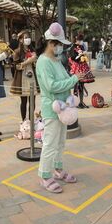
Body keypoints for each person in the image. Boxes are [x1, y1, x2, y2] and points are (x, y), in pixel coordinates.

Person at [35, 22, 85, 193]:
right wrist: (73, 79)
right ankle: (44, 175)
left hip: (63, 108)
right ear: (51, 43)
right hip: (52, 108)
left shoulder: (55, 60)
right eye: (60, 45)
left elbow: (63, 80)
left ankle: (57, 169)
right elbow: (51, 86)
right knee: (50, 143)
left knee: (60, 142)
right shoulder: (43, 61)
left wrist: (73, 78)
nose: (61, 48)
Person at [10, 30, 39, 120]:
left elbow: (36, 64)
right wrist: (28, 61)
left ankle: (31, 122)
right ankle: (24, 122)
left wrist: (35, 61)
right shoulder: (17, 52)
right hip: (22, 78)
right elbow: (16, 67)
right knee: (24, 101)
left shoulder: (33, 50)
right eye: (26, 38)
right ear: (21, 40)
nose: (28, 39)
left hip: (32, 77)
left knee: (32, 101)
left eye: (29, 37)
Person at [69, 34, 95, 108]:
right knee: (76, 85)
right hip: (77, 67)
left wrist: (83, 55)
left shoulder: (82, 46)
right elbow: (72, 57)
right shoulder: (73, 47)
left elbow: (83, 55)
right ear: (77, 40)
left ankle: (81, 102)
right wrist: (79, 56)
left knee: (81, 85)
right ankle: (76, 102)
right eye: (80, 40)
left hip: (82, 66)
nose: (81, 41)